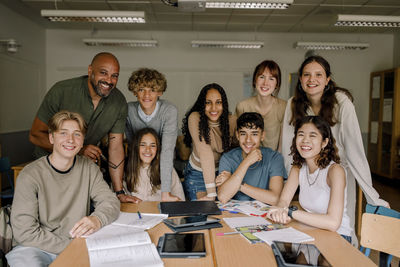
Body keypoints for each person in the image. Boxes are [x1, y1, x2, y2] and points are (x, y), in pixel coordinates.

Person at [281, 55, 388, 242]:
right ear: (300, 80)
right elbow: (287, 147)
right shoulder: (293, 103)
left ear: (328, 79)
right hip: (308, 169)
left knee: (343, 226)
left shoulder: (341, 102)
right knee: (310, 224)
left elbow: (355, 149)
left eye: (318, 75)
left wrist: (372, 195)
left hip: (337, 170)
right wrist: (289, 186)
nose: (312, 80)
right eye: (306, 75)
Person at [7, 111, 120, 266]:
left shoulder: (89, 169)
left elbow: (110, 201)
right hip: (34, 247)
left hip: (77, 242)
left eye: (77, 134)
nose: (70, 140)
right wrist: (70, 247)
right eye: (63, 133)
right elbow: (26, 233)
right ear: (51, 138)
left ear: (82, 141)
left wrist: (97, 219)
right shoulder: (29, 175)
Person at [28, 52, 133, 203]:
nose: (109, 80)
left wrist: (119, 191)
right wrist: (79, 150)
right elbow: (35, 134)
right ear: (90, 70)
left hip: (81, 170)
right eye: (103, 73)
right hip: (49, 168)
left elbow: (115, 148)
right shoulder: (62, 90)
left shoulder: (119, 102)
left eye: (114, 76)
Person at [269, 116, 352, 243]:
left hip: (338, 237)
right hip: (311, 231)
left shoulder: (335, 171)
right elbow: (283, 201)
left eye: (313, 136)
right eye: (301, 134)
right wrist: (279, 211)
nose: (305, 140)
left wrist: (290, 212)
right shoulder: (298, 168)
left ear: (324, 142)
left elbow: (333, 223)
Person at [125, 68, 180, 201]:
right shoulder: (128, 111)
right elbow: (132, 145)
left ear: (160, 92)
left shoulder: (169, 111)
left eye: (152, 90)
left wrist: (165, 192)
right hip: (138, 166)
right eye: (141, 89)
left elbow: (167, 150)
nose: (147, 95)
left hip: (162, 165)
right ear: (135, 92)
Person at [181, 83, 236, 200]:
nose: (214, 108)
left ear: (224, 104)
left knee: (223, 215)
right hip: (198, 174)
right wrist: (211, 194)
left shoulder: (231, 121)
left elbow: (237, 150)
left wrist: (230, 175)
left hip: (222, 174)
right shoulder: (195, 118)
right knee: (202, 213)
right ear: (202, 104)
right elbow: (205, 152)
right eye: (208, 102)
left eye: (218, 102)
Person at [217, 112, 286, 204]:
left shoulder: (274, 158)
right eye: (243, 134)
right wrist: (247, 162)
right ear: (237, 135)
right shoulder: (227, 158)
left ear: (262, 136)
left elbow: (275, 199)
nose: (248, 140)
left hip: (263, 214)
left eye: (254, 134)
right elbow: (223, 197)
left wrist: (238, 184)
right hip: (234, 214)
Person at [236, 60, 286, 150]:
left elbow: (282, 146)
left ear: (277, 84)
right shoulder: (242, 106)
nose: (265, 83)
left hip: (273, 159)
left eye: (271, 78)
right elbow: (239, 139)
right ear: (255, 80)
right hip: (248, 158)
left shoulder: (283, 107)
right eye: (262, 77)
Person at [124, 128, 185, 201]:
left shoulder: (167, 170)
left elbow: (180, 198)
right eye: (143, 145)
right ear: (136, 147)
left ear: (158, 149)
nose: (148, 149)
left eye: (152, 146)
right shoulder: (126, 170)